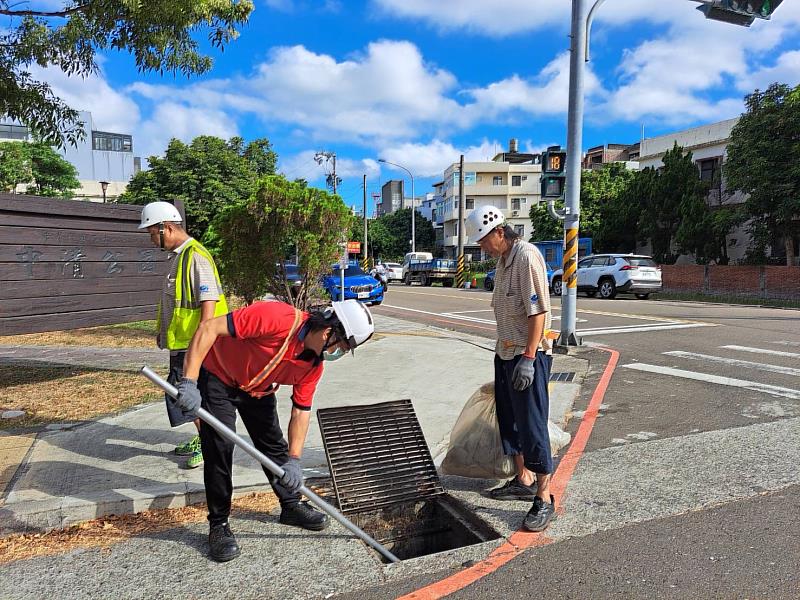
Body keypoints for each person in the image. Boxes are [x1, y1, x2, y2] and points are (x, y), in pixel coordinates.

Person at [171, 299, 375, 562]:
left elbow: (301, 411)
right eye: (343, 347)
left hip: (257, 390)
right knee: (220, 445)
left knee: (274, 446)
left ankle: (290, 506)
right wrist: (189, 381)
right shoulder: (276, 317)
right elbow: (209, 328)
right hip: (219, 376)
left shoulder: (312, 367)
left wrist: (295, 460)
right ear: (328, 332)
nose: (340, 354)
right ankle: (218, 525)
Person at [465, 205, 556, 533]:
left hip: (526, 356)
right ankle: (524, 479)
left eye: (484, 241)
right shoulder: (504, 262)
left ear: (499, 232)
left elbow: (538, 314)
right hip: (505, 354)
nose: (482, 248)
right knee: (511, 424)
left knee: (532, 427)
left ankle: (544, 497)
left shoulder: (526, 257)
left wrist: (530, 358)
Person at [138, 201, 228, 469]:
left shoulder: (195, 256)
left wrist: (201, 345)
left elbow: (208, 304)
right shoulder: (179, 256)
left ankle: (208, 444)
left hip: (195, 346)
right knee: (184, 395)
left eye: (151, 232)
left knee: (185, 395)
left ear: (165, 228)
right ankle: (203, 440)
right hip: (182, 344)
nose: (151, 238)